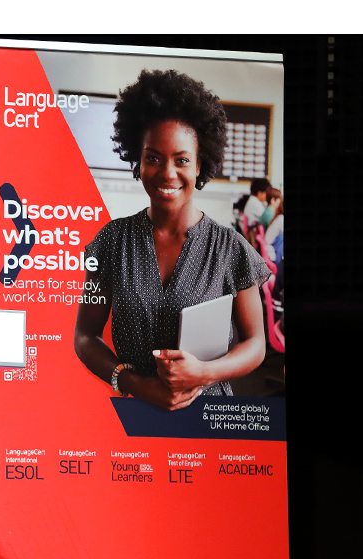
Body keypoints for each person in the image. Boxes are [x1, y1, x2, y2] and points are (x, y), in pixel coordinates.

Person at [74, 70, 270, 410]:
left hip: (210, 420)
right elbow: (85, 337)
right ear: (138, 159)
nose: (167, 172)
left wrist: (204, 373)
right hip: (132, 417)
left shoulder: (229, 248)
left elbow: (256, 343)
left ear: (199, 166)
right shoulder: (112, 241)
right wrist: (133, 382)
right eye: (153, 157)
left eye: (182, 160)